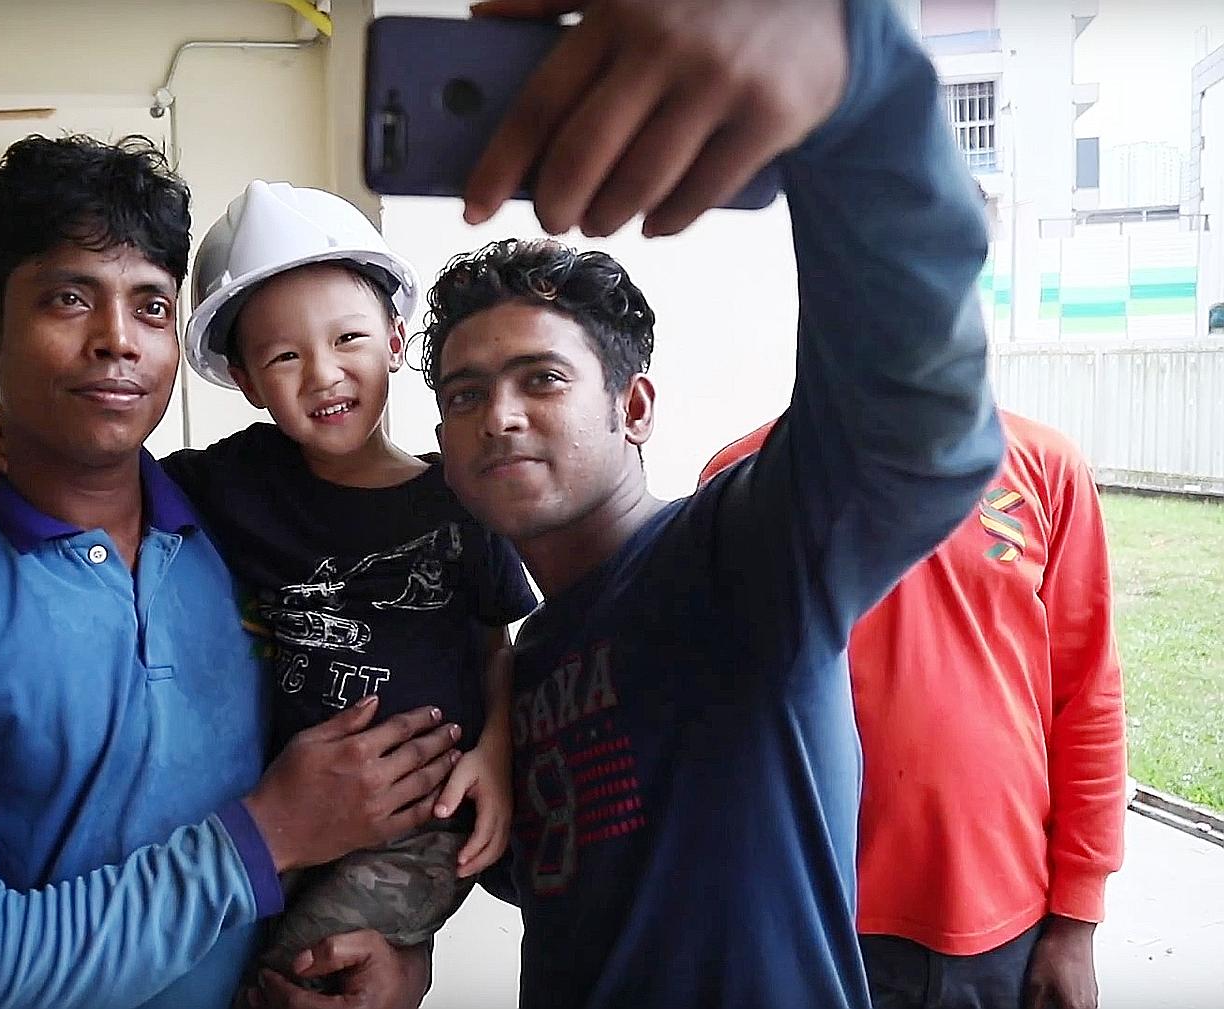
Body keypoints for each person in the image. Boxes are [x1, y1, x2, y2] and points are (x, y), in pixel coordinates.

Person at [269, 0, 1007, 1005]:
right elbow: (577, 899)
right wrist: (408, 959)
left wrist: (853, 68)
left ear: (635, 405)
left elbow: (917, 424)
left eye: (542, 379)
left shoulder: (741, 555)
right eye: (466, 394)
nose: (501, 417)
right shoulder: (520, 667)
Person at [0, 135, 458, 1009]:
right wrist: (262, 837)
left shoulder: (253, 544)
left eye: (151, 306)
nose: (117, 340)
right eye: (70, 298)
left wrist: (393, 952)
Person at [0, 180, 536, 994]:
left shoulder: (460, 500)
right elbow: (102, 476)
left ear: (398, 339)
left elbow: (500, 640)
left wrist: (497, 756)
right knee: (218, 940)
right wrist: (6, 442)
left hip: (424, 814)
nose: (324, 374)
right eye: (286, 356)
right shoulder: (235, 483)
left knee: (291, 972)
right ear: (248, 380)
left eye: (349, 340)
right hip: (288, 801)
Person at [701, 409, 1126, 1009]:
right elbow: (716, 721)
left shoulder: (1045, 464)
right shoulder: (743, 478)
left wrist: (1077, 919)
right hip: (813, 918)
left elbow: (1088, 696)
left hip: (1005, 922)